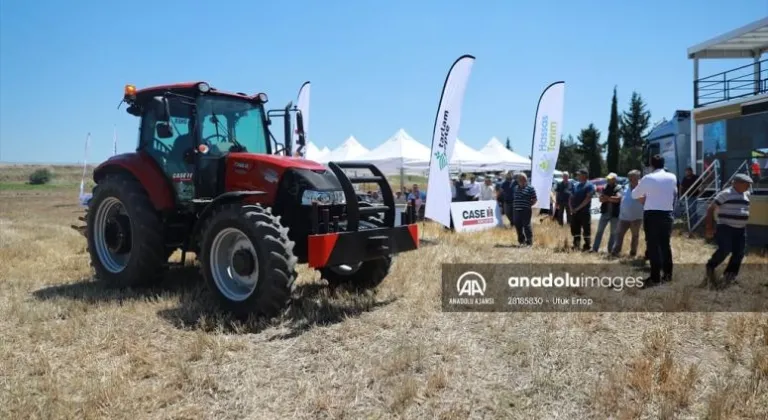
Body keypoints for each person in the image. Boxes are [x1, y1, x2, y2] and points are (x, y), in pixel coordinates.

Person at [632, 154, 678, 286]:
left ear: (651, 165)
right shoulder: (672, 177)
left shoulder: (648, 178)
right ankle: (668, 275)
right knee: (665, 245)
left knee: (653, 246)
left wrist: (645, 192)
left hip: (652, 214)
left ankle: (655, 277)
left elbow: (635, 194)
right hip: (667, 214)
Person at [703, 173, 753, 288]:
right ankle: (711, 266)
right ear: (737, 183)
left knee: (739, 253)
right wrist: (709, 226)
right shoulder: (725, 194)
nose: (748, 187)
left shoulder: (746, 194)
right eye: (747, 184)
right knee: (725, 249)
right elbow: (710, 209)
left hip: (741, 230)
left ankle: (730, 276)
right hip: (725, 227)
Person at [611, 170, 644, 257]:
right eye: (629, 177)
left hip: (636, 217)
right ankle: (615, 251)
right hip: (623, 217)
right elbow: (619, 196)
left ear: (638, 178)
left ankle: (633, 253)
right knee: (619, 234)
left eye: (633, 177)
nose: (630, 179)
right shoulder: (624, 187)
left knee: (635, 236)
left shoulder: (643, 188)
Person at [592, 173, 621, 253]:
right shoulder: (605, 187)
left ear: (614, 179)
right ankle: (595, 249)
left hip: (615, 214)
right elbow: (600, 199)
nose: (608, 180)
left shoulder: (619, 188)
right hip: (605, 213)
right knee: (599, 231)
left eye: (610, 179)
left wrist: (607, 198)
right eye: (608, 178)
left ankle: (610, 250)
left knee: (613, 233)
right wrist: (611, 198)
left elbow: (618, 199)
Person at [569, 169, 595, 251]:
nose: (577, 176)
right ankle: (576, 245)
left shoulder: (590, 185)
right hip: (574, 212)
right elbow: (570, 197)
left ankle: (587, 246)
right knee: (575, 228)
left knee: (586, 229)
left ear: (584, 175)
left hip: (584, 212)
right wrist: (571, 208)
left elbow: (587, 199)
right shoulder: (576, 185)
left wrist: (577, 208)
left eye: (579, 174)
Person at [512, 173, 537, 246]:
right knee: (517, 225)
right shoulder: (515, 188)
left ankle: (529, 241)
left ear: (525, 180)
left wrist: (528, 205)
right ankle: (521, 241)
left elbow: (535, 199)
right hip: (516, 209)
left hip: (526, 210)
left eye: (523, 179)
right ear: (518, 180)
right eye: (520, 179)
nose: (522, 181)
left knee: (526, 225)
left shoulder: (530, 188)